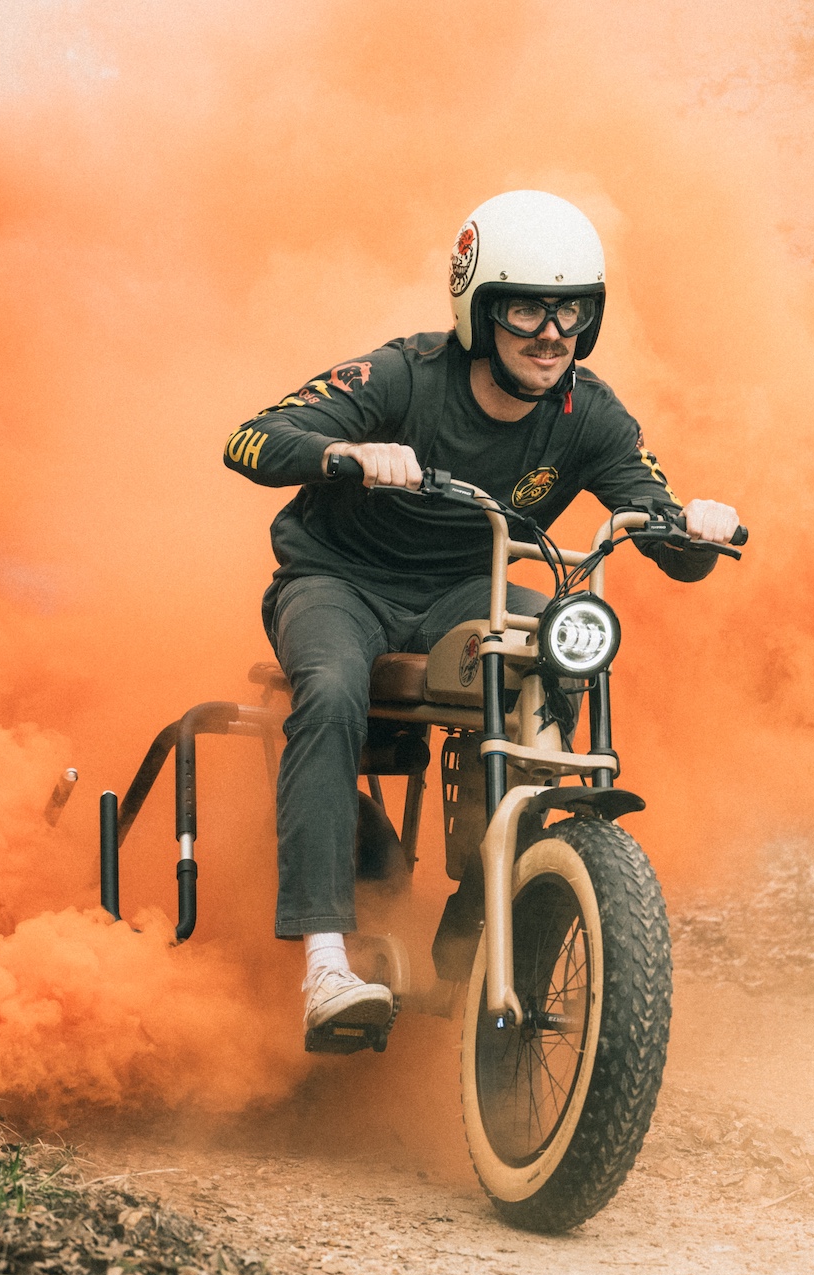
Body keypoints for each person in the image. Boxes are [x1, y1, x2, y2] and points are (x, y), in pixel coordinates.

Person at [222, 190, 741, 1039]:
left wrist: (696, 527)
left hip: (469, 590)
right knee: (329, 685)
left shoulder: (590, 415)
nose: (551, 332)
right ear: (477, 308)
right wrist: (345, 454)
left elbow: (661, 527)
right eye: (526, 307)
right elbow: (250, 438)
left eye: (570, 309)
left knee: (555, 643)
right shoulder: (400, 376)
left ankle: (481, 901)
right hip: (337, 580)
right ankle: (325, 964)